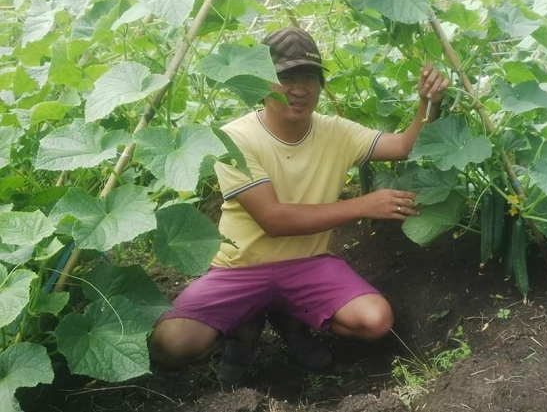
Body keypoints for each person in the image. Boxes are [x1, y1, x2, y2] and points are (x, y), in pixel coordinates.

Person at [148, 27, 449, 383]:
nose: (299, 88)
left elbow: (402, 146)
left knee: (376, 320)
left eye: (309, 76)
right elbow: (274, 220)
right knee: (169, 345)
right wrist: (361, 206)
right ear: (260, 82)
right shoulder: (235, 139)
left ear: (320, 84)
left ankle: (290, 318)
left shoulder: (336, 132)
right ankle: (246, 325)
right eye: (284, 76)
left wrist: (429, 103)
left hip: (307, 266)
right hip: (239, 270)